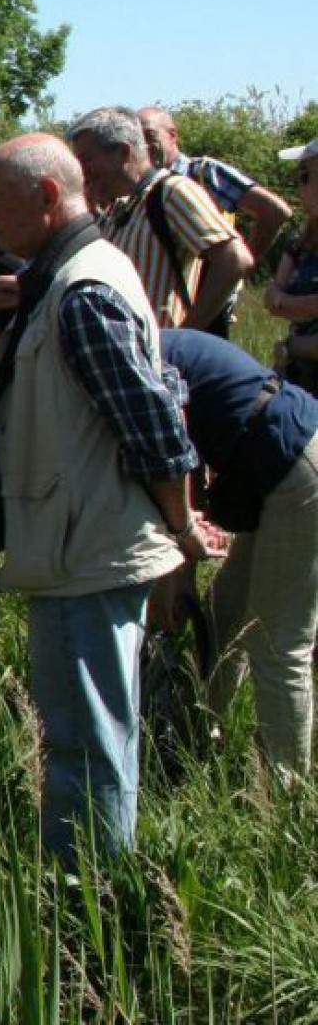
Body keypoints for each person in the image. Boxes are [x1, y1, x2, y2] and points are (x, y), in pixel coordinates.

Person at [0, 133, 201, 867]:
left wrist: (179, 526)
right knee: (90, 734)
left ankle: (91, 910)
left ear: (46, 197)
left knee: (84, 743)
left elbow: (154, 423)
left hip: (90, 550)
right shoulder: (80, 274)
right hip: (82, 542)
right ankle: (94, 894)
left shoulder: (83, 290)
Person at [159, 330, 318, 787]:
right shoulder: (154, 346)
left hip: (294, 466)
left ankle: (284, 797)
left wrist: (181, 572)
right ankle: (193, 741)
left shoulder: (142, 357)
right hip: (272, 468)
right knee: (224, 616)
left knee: (278, 642)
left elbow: (172, 460)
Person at [67, 106, 251, 333]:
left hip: (165, 358)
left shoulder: (172, 192)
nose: (82, 171)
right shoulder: (121, 205)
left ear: (123, 152)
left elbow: (235, 259)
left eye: (87, 160)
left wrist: (184, 336)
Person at [139, 106, 292, 265]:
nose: (144, 146)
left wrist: (243, 265)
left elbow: (274, 210)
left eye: (149, 135)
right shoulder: (138, 185)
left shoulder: (203, 172)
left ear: (172, 135)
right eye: (138, 140)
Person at [262, 138, 318, 392]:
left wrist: (290, 345)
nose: (300, 186)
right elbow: (271, 297)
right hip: (301, 377)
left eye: (305, 176)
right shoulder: (301, 238)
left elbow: (279, 298)